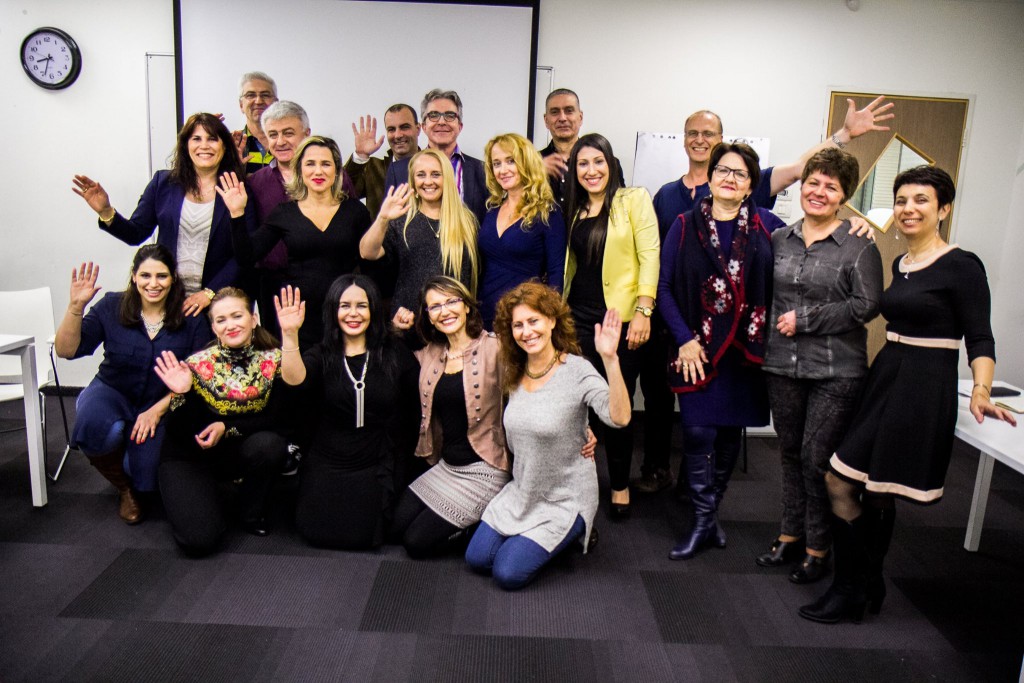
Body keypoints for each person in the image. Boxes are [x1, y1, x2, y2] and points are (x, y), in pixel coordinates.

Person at [799, 166, 1017, 623]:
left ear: (944, 209)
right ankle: (866, 583)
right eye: (901, 200)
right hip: (887, 375)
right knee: (861, 484)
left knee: (855, 483)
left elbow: (980, 336)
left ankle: (851, 588)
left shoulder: (962, 265)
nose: (909, 209)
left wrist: (980, 388)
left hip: (923, 385)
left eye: (921, 200)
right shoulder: (900, 263)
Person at [756, 149, 883, 584]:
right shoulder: (779, 238)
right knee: (789, 453)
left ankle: (819, 547)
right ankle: (790, 534)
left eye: (831, 187)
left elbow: (867, 304)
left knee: (816, 460)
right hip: (781, 365)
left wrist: (807, 320)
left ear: (844, 197)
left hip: (836, 372)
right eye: (813, 182)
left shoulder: (859, 245)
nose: (819, 192)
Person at [657, 142, 785, 560]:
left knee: (730, 433)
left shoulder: (768, 225)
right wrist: (684, 339)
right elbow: (663, 288)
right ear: (709, 178)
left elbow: (811, 242)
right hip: (695, 348)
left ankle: (707, 518)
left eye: (740, 174)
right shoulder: (683, 224)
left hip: (744, 350)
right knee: (697, 432)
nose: (730, 178)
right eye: (723, 171)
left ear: (751, 186)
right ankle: (702, 521)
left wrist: (853, 228)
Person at [466, 283, 630, 589]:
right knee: (477, 558)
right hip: (524, 491)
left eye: (534, 321)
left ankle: (572, 532)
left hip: (565, 497)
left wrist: (611, 359)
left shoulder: (577, 370)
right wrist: (579, 429)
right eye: (518, 325)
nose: (526, 331)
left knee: (507, 573)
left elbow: (619, 418)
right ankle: (534, 538)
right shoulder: (515, 370)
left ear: (552, 320)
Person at [53, 246, 210, 523]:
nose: (153, 284)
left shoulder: (191, 316)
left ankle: (133, 475)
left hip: (161, 399)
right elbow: (66, 350)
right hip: (112, 390)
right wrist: (75, 307)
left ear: (173, 278)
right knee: (92, 424)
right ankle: (124, 489)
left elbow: (199, 375)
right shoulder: (111, 306)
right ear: (134, 276)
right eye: (145, 275)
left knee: (145, 474)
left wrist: (157, 411)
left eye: (161, 276)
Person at [278, 276, 419, 549]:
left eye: (361, 306)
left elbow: (417, 403)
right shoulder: (323, 353)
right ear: (333, 311)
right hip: (329, 458)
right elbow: (295, 381)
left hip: (375, 459)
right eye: (345, 306)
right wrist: (290, 334)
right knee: (315, 531)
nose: (353, 313)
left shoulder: (393, 352)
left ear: (373, 309)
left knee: (367, 533)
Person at [562, 133, 659, 518]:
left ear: (611, 163)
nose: (591, 170)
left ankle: (619, 485)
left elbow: (650, 255)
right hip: (576, 319)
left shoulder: (632, 200)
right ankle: (577, 485)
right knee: (576, 406)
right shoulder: (573, 208)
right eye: (582, 164)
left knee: (617, 403)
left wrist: (644, 311)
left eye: (598, 161)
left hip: (620, 320)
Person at [72, 113, 253, 317]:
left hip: (218, 303)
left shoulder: (240, 188)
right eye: (196, 139)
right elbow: (136, 233)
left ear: (225, 146)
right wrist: (106, 211)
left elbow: (245, 253)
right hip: (167, 298)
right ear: (185, 145)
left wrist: (210, 292)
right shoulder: (164, 183)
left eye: (212, 139)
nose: (204, 146)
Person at [154, 288, 289, 555]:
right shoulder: (196, 364)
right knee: (199, 541)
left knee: (270, 445)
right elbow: (179, 432)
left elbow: (278, 420)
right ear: (214, 328)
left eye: (237, 316)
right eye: (221, 320)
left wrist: (226, 428)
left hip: (237, 450)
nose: (230, 325)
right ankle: (209, 497)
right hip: (191, 455)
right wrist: (182, 394)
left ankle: (250, 510)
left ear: (253, 319)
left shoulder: (275, 360)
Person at [390, 276, 511, 557]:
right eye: (435, 307)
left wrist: (582, 428)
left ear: (467, 306)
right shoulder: (430, 354)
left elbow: (535, 383)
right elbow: (392, 357)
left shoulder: (496, 348)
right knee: (394, 528)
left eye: (451, 302)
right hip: (447, 467)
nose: (444, 311)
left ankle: (481, 524)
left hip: (486, 469)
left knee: (416, 544)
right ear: (429, 317)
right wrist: (396, 331)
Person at [652, 97, 894, 231]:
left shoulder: (742, 185)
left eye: (708, 133)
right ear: (684, 139)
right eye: (692, 133)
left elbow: (800, 168)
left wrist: (845, 134)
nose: (699, 140)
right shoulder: (665, 195)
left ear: (720, 139)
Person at [221, 136, 372, 348]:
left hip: (347, 315)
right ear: (299, 170)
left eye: (325, 164)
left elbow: (371, 268)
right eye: (310, 164)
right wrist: (237, 214)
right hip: (299, 319)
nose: (318, 171)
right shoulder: (285, 213)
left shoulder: (355, 211)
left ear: (337, 170)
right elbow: (247, 257)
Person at [360, 148, 478, 318]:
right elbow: (367, 252)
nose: (428, 181)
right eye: (421, 175)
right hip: (409, 320)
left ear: (447, 178)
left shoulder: (466, 221)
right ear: (413, 181)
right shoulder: (402, 221)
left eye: (436, 174)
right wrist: (382, 218)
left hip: (453, 321)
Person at [478, 133, 566, 328]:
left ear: (526, 163)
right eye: (497, 163)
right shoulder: (492, 209)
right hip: (485, 316)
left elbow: (556, 273)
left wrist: (549, 320)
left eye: (511, 161)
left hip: (524, 320)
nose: (503, 170)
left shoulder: (548, 213)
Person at [384, 89, 488, 223]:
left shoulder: (483, 170)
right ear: (423, 126)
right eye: (434, 115)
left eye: (450, 115)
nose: (442, 122)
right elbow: (389, 224)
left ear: (460, 126)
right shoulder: (398, 170)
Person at [345, 104, 421, 219]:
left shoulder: (433, 167)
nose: (398, 135)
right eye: (391, 129)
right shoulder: (373, 168)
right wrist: (361, 155)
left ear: (418, 129)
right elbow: (344, 194)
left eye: (405, 127)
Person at [235, 71, 278, 174]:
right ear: (241, 105)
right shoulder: (232, 144)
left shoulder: (288, 144)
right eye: (250, 95)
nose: (258, 101)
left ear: (276, 104)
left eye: (265, 95)